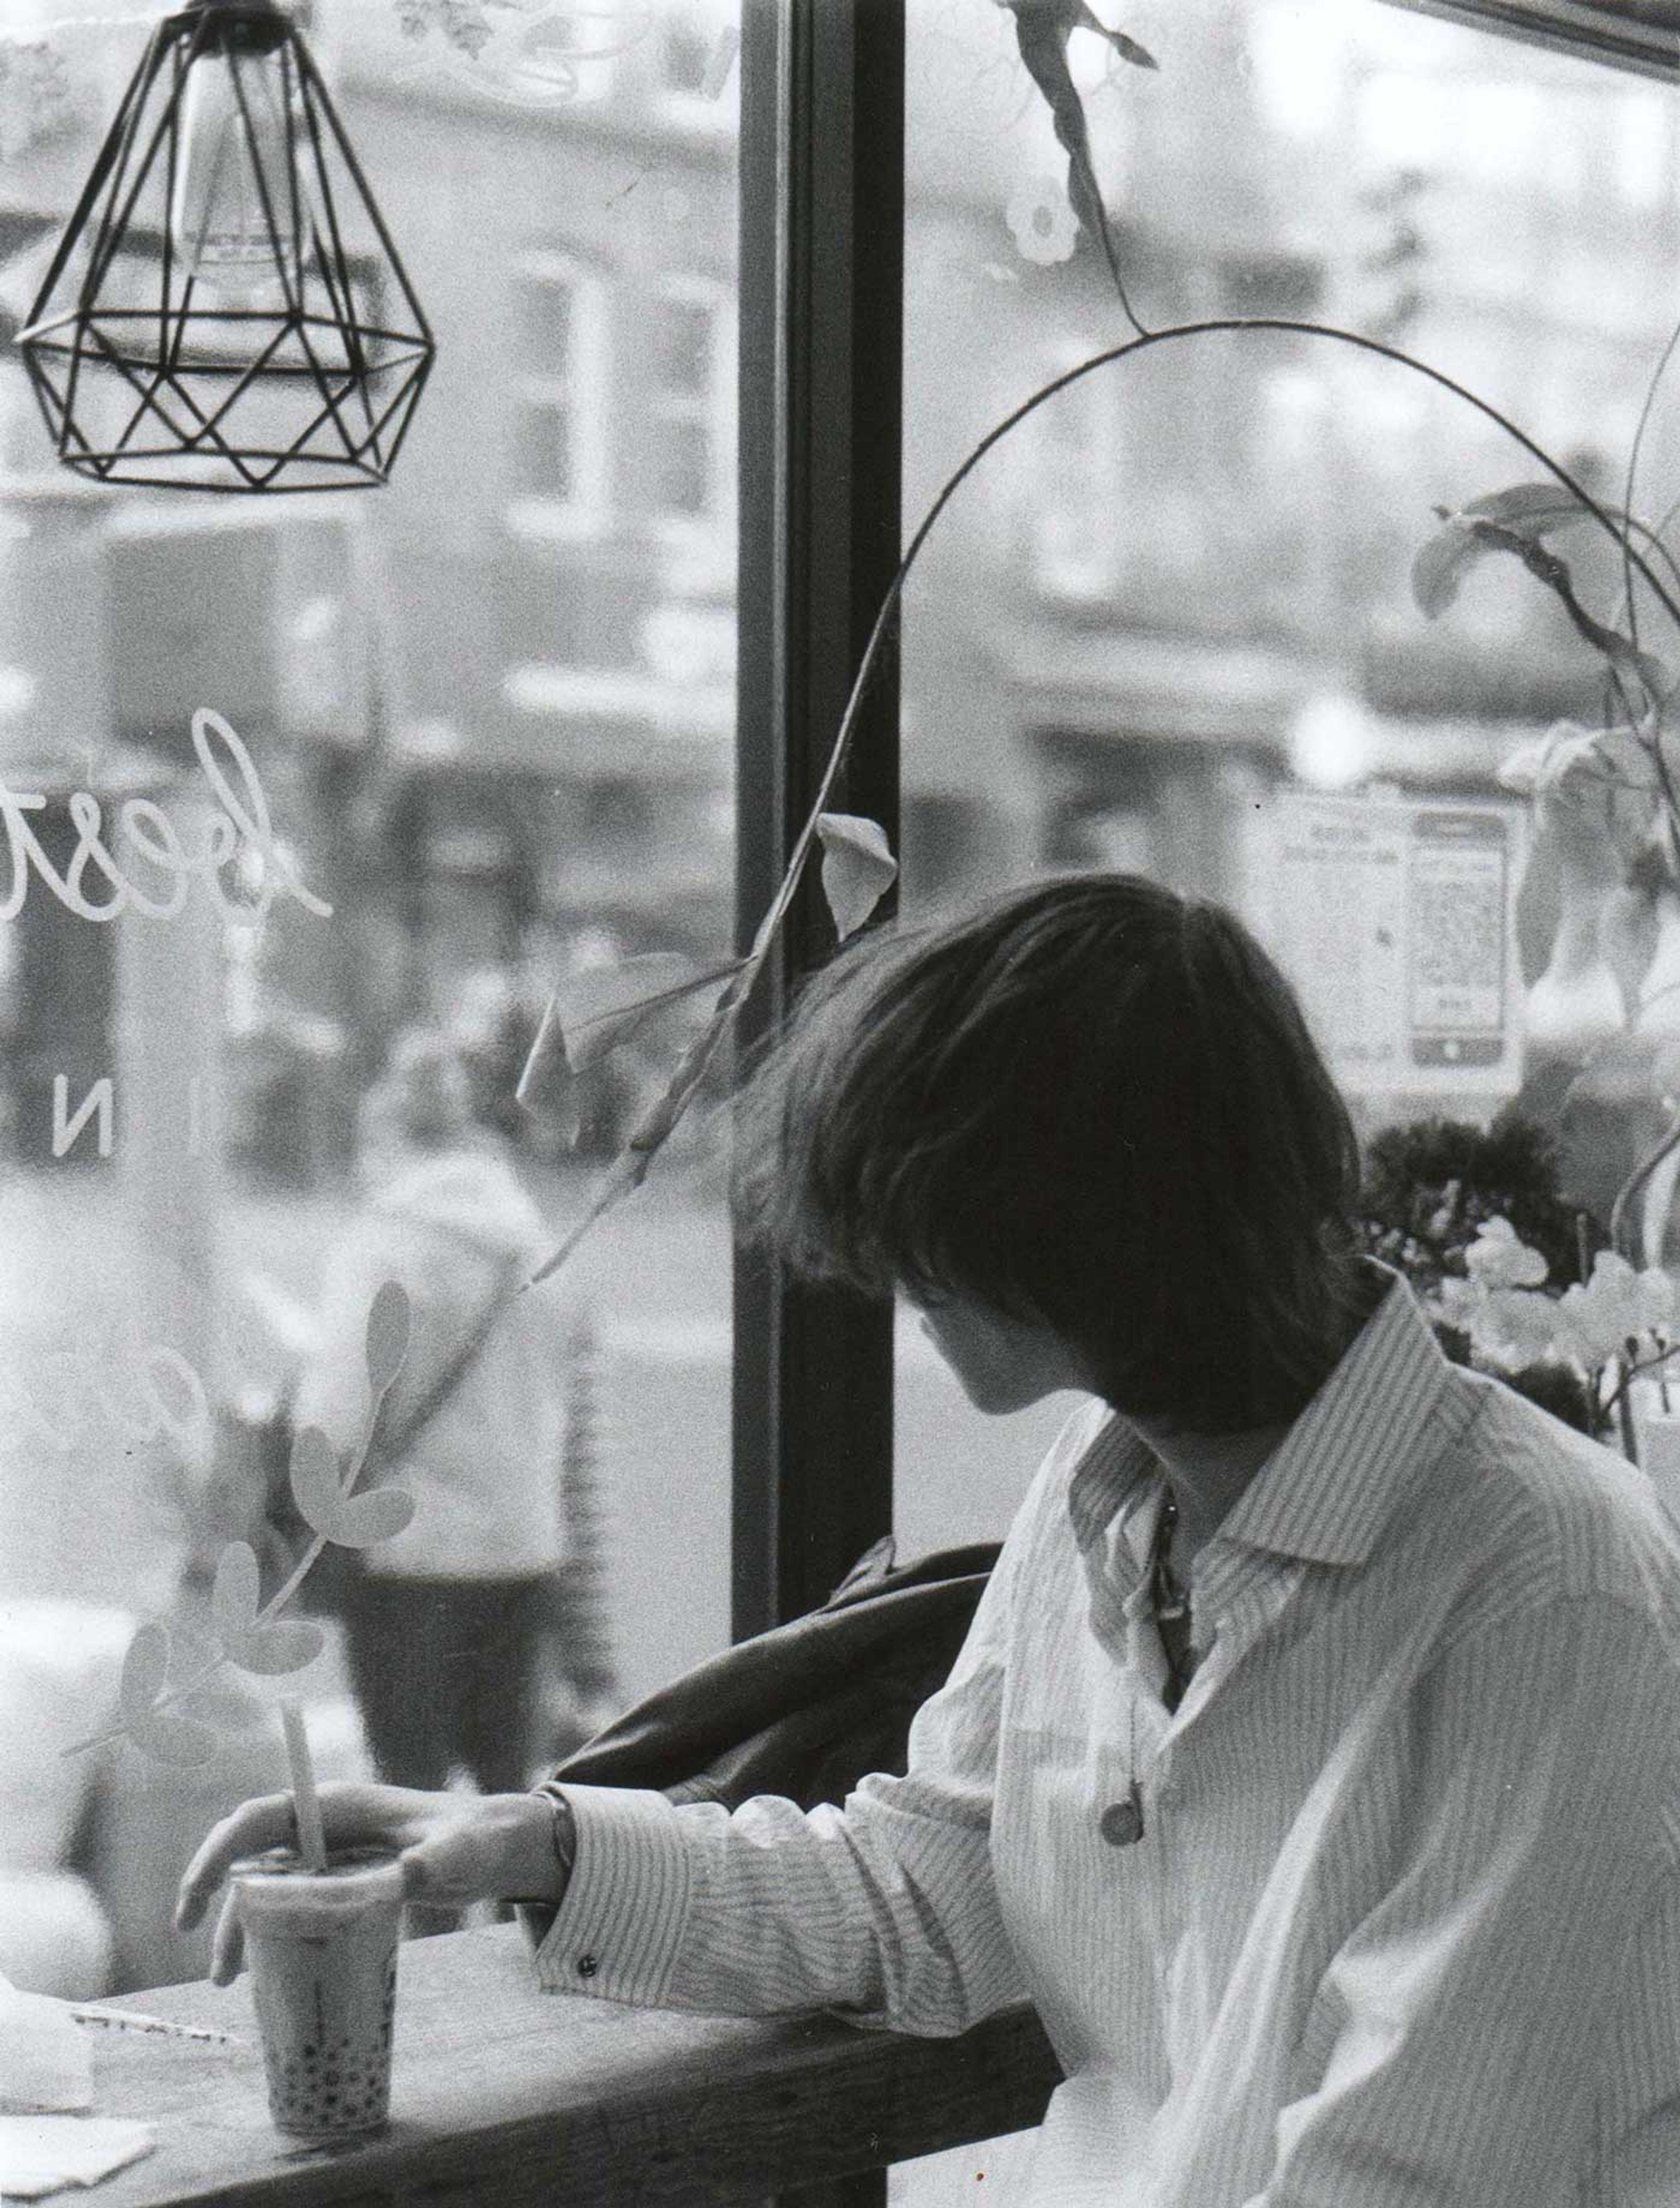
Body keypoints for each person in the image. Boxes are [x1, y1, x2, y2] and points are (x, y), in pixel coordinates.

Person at [179, 877, 1680, 2205]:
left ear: (1097, 1221)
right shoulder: (1103, 1498)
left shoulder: (1546, 1582)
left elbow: (1403, 2177)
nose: (887, 1273)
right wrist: (544, 1840)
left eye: (924, 1227)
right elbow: (929, 1890)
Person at [293, 1029, 568, 1805]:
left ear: (385, 1138)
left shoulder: (381, 1246)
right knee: (511, 1799)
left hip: (409, 1562)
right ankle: (539, 1933)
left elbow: (334, 1424)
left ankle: (433, 1933)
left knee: (410, 1800)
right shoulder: (536, 1244)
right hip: (524, 1552)